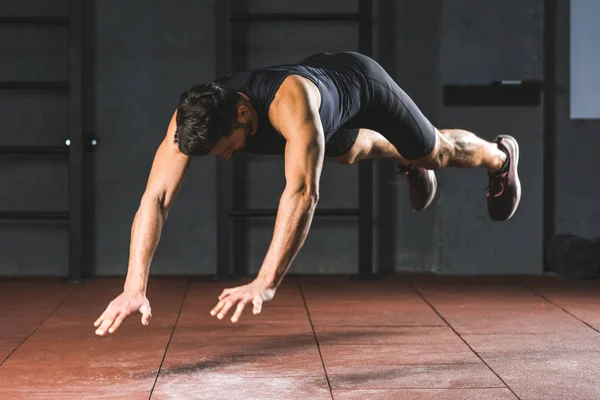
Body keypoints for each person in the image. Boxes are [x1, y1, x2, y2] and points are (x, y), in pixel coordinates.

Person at [94, 52, 520, 336]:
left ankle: (500, 157)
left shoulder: (290, 106)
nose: (225, 159)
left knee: (436, 153)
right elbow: (156, 198)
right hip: (324, 106)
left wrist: (265, 282)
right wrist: (135, 286)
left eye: (227, 148)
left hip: (363, 85)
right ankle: (408, 161)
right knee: (351, 151)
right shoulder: (191, 118)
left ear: (242, 114)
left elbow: (301, 193)